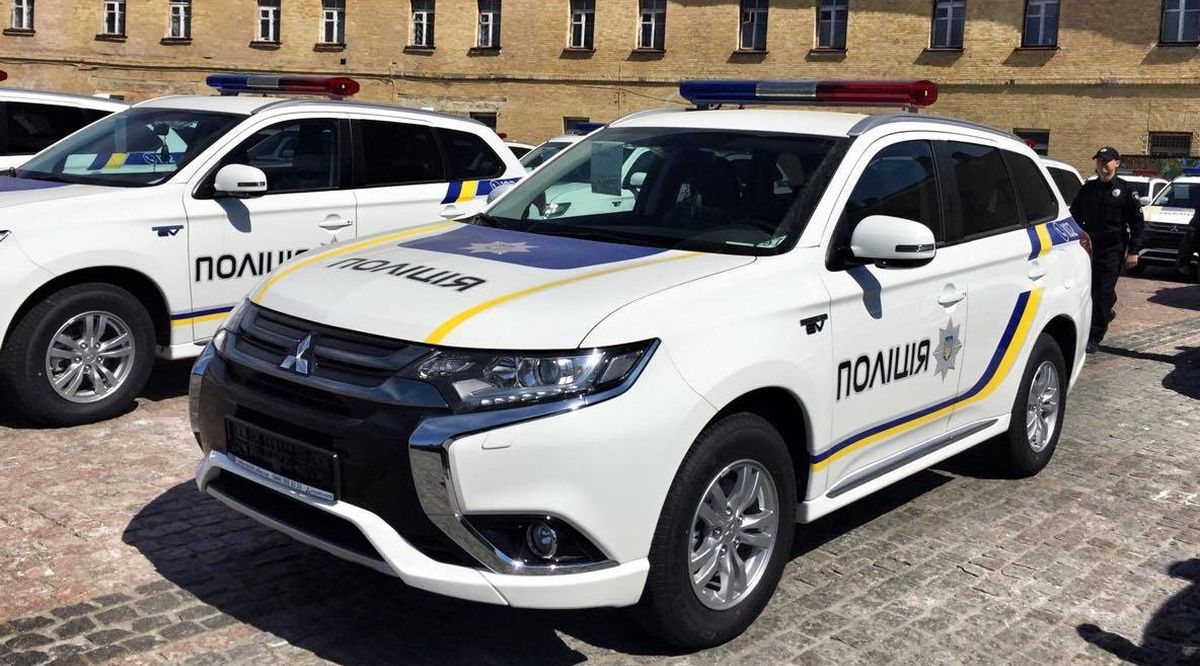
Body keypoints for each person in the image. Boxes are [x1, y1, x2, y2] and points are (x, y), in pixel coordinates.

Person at [1069, 147, 1144, 353]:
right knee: (1090, 288)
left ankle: (1094, 336)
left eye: (1106, 161)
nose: (1102, 166)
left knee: (1102, 292)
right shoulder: (1088, 189)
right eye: (1099, 161)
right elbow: (1074, 216)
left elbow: (1137, 222)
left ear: (1116, 163)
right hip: (1089, 247)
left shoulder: (1125, 190)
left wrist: (1134, 251)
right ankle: (1107, 307)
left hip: (1112, 249)